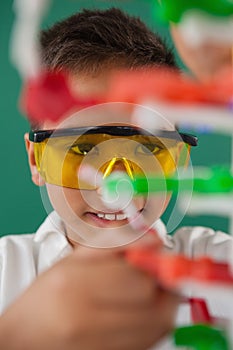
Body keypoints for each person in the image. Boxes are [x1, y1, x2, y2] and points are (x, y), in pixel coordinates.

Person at [0, 8, 232, 350]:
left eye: (147, 150)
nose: (115, 187)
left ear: (180, 162)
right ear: (37, 159)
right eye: (82, 149)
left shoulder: (216, 262)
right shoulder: (5, 270)